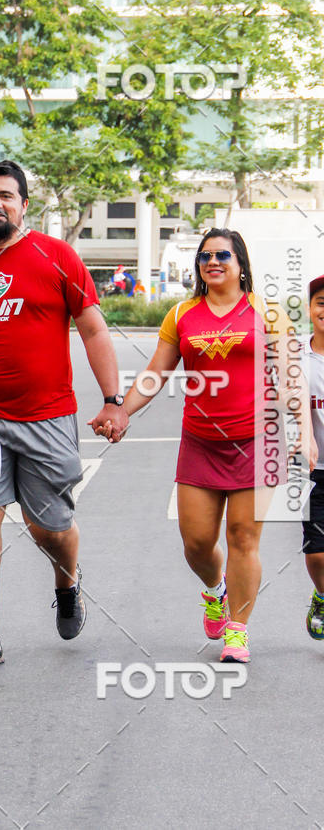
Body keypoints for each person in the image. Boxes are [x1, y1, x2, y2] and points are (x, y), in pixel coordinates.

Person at [0, 160, 127, 672]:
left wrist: (113, 399)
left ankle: (67, 582)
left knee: (49, 527)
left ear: (23, 204)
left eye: (6, 196)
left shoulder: (57, 257)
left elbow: (94, 330)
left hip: (48, 417)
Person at [101, 228, 310, 664]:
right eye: (205, 256)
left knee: (243, 537)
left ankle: (238, 630)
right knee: (196, 543)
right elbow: (155, 374)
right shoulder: (181, 314)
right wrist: (121, 410)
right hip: (200, 442)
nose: (212, 261)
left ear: (241, 264)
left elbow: (292, 378)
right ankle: (216, 590)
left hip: (259, 441)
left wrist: (304, 433)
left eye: (222, 255)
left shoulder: (268, 313)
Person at [302, 274, 324, 639]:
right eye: (321, 303)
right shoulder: (298, 358)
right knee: (317, 553)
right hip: (315, 471)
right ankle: (321, 595)